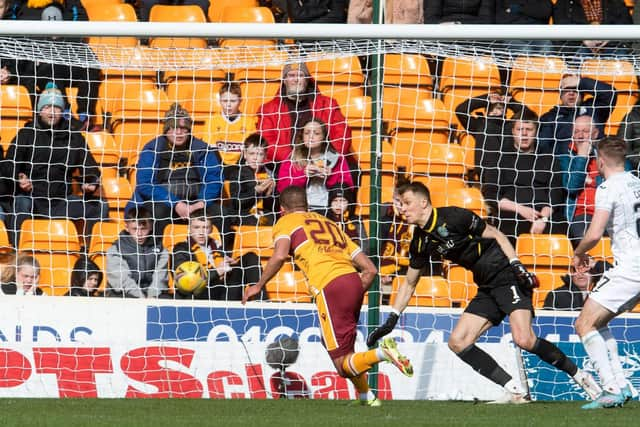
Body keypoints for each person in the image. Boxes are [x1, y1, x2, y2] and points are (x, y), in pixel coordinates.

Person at [367, 181, 602, 404]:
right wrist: (392, 318)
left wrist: (517, 264)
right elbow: (409, 283)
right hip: (486, 286)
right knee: (458, 342)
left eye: (407, 203)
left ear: (423, 203)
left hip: (506, 274)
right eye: (401, 204)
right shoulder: (420, 241)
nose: (403, 209)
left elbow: (497, 234)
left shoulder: (454, 216)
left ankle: (581, 376)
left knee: (524, 339)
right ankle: (515, 391)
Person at [243, 186, 414, 406]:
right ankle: (366, 396)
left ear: (282, 209)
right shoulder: (330, 224)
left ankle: (383, 353)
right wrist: (350, 292)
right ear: (306, 205)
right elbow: (370, 269)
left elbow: (280, 255)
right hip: (352, 281)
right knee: (339, 347)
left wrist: (258, 285)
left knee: (342, 364)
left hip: (329, 284)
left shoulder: (285, 222)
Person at [572, 136, 639, 409]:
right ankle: (622, 384)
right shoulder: (636, 182)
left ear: (599, 161)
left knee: (583, 324)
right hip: (634, 267)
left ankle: (610, 389)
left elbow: (595, 232)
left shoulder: (608, 187)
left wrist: (579, 252)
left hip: (630, 268)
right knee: (599, 323)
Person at [2, 83, 109, 246]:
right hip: (32, 199)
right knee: (21, 203)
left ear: (62, 111)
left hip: (61, 201)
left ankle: (90, 253)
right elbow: (9, 163)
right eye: (47, 107)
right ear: (39, 110)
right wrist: (19, 178)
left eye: (56, 108)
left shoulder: (74, 137)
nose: (52, 113)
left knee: (100, 206)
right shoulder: (27, 133)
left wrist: (90, 181)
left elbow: (90, 165)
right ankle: (18, 250)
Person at [130, 103, 224, 239]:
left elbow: (214, 180)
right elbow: (145, 184)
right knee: (155, 214)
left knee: (223, 215)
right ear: (166, 130)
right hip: (164, 202)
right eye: (174, 128)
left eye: (183, 128)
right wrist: (175, 203)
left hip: (197, 203)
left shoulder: (202, 149)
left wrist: (201, 203)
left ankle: (220, 254)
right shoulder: (152, 149)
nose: (178, 133)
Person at [5, 0, 101, 129]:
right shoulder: (19, 3)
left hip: (65, 52)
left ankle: (85, 115)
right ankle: (65, 115)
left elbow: (82, 22)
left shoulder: (69, 2)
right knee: (50, 66)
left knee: (91, 63)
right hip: (33, 57)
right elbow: (9, 26)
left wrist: (61, 38)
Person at [481, 111, 566, 244]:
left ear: (536, 131)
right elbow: (491, 195)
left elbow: (555, 194)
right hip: (511, 214)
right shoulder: (499, 158)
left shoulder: (548, 158)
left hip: (543, 216)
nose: (524, 134)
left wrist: (542, 219)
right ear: (513, 132)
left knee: (561, 230)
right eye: (520, 129)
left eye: (529, 129)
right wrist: (521, 209)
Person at [257, 62, 352, 164]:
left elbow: (342, 134)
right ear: (284, 80)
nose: (296, 80)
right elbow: (266, 140)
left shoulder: (328, 105)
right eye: (291, 75)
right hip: (284, 164)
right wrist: (295, 159)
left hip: (324, 163)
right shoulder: (268, 109)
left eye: (300, 75)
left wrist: (326, 160)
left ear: (307, 79)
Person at [558, 115, 630, 247]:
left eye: (585, 131)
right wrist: (582, 156)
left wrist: (591, 181)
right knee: (585, 240)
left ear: (595, 133)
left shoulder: (610, 153)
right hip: (583, 215)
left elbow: (623, 182)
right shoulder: (565, 157)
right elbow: (572, 186)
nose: (580, 136)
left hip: (612, 213)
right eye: (576, 132)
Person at [172, 209, 264, 301]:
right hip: (199, 294)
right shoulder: (181, 249)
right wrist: (216, 272)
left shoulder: (216, 245)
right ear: (189, 229)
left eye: (205, 228)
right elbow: (183, 279)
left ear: (211, 229)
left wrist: (230, 263)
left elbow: (223, 268)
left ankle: (263, 302)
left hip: (221, 289)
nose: (201, 232)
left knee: (250, 258)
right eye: (196, 227)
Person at [455, 89, 536, 183]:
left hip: (510, 176)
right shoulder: (479, 125)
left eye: (500, 108)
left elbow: (529, 116)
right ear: (486, 111)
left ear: (505, 111)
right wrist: (486, 99)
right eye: (492, 108)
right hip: (487, 177)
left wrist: (511, 102)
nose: (495, 111)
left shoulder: (511, 126)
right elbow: (460, 110)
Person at [276, 118, 353, 213]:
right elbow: (283, 189)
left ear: (324, 137)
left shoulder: (337, 158)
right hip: (299, 210)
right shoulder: (291, 159)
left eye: (316, 133)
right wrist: (304, 176)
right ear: (302, 136)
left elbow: (348, 190)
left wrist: (330, 177)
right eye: (307, 133)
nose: (311, 137)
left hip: (329, 211)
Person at [538, 73, 616, 155]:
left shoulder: (594, 109)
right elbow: (544, 148)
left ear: (582, 93)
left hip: (595, 163)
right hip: (564, 164)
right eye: (567, 90)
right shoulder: (550, 118)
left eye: (575, 89)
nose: (571, 93)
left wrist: (581, 82)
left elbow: (610, 93)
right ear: (561, 95)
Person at [105, 207, 169, 298]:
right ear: (127, 227)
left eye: (143, 229)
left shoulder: (161, 249)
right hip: (124, 293)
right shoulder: (116, 249)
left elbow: (160, 277)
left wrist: (152, 296)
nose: (139, 234)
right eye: (134, 229)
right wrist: (140, 298)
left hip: (152, 295)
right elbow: (122, 279)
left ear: (150, 227)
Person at [224, 133, 277, 227]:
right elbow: (236, 202)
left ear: (265, 156)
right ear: (245, 154)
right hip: (241, 214)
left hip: (262, 213)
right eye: (251, 153)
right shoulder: (237, 173)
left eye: (260, 154)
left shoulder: (269, 173)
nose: (255, 158)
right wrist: (256, 191)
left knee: (273, 220)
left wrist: (269, 193)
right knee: (255, 222)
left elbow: (273, 204)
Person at [204, 82, 257, 166]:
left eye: (233, 101)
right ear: (220, 101)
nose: (228, 105)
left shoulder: (248, 122)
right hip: (218, 164)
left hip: (241, 165)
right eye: (225, 101)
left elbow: (251, 150)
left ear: (240, 101)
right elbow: (211, 148)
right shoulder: (212, 121)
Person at [543, 260, 611, 311]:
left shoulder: (602, 292)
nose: (581, 274)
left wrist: (594, 264)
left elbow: (615, 275)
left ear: (594, 275)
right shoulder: (556, 295)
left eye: (586, 271)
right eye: (576, 270)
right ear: (571, 274)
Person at [325, 186, 368, 253]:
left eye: (342, 200)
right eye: (335, 200)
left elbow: (364, 244)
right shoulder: (325, 219)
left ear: (349, 202)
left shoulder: (355, 220)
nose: (338, 204)